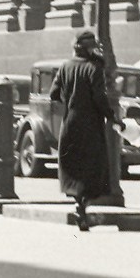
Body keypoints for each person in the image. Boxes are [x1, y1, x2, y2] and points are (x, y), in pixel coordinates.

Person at [50, 30, 116, 231]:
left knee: (74, 166)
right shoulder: (93, 68)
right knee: (93, 166)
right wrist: (112, 116)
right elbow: (99, 98)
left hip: (70, 123)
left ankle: (79, 205)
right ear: (88, 49)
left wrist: (71, 101)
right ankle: (84, 207)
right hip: (90, 125)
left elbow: (54, 94)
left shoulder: (65, 66)